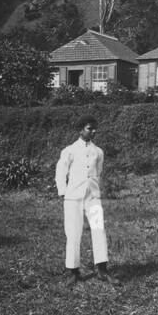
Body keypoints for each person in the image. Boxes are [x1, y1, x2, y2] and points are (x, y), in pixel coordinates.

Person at [55, 115, 119, 285]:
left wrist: (95, 191)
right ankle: (74, 272)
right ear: (81, 129)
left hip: (93, 197)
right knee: (73, 233)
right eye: (90, 128)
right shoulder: (69, 150)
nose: (93, 131)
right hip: (73, 198)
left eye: (95, 128)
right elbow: (61, 172)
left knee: (99, 230)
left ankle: (102, 270)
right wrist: (63, 192)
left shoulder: (99, 152)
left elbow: (98, 173)